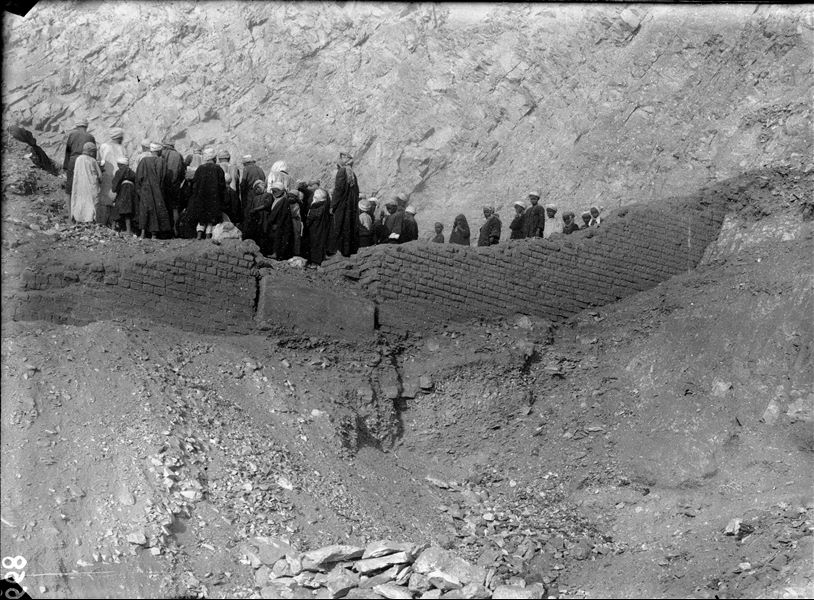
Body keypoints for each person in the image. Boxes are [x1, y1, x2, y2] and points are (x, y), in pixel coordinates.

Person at [135, 142, 172, 239]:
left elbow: (138, 177)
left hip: (145, 189)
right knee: (156, 210)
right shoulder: (162, 161)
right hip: (157, 190)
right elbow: (163, 177)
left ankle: (142, 233)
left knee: (144, 210)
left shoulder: (144, 160)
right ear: (159, 151)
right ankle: (154, 235)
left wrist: (139, 190)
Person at [249, 181, 294, 259]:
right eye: (273, 191)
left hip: (279, 224)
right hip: (275, 223)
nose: (273, 193)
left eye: (275, 191)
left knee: (278, 239)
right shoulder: (277, 199)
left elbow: (283, 215)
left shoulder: (283, 201)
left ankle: (276, 254)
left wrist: (277, 224)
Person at [327, 151, 360, 257]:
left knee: (339, 227)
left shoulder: (342, 172)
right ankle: (346, 251)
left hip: (342, 206)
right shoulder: (352, 173)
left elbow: (338, 190)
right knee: (348, 228)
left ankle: (337, 251)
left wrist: (333, 205)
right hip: (350, 206)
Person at [188, 147, 226, 240]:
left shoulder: (200, 168)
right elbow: (222, 186)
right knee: (211, 219)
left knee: (201, 217)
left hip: (201, 197)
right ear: (214, 158)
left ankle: (199, 234)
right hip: (214, 197)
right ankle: (208, 235)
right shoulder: (218, 169)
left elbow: (195, 184)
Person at [62, 118, 96, 221]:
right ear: (86, 126)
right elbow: (94, 154)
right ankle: (85, 215)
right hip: (86, 162)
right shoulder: (90, 137)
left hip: (73, 161)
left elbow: (68, 152)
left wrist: (65, 167)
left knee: (69, 189)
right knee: (85, 188)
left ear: (77, 126)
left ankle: (70, 215)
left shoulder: (72, 135)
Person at [97, 127, 126, 228]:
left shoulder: (104, 146)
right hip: (116, 177)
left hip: (107, 176)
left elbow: (99, 161)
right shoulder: (122, 148)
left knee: (106, 198)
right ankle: (110, 223)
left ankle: (104, 222)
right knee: (113, 200)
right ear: (119, 137)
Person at [70, 141, 101, 223]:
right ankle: (90, 220)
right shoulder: (92, 160)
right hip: (91, 186)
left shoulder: (78, 159)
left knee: (80, 201)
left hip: (80, 186)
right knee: (92, 203)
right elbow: (100, 176)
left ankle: (79, 218)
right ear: (91, 152)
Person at [162, 138, 186, 236]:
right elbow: (182, 171)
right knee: (175, 208)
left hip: (163, 185)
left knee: (164, 206)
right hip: (175, 185)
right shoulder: (178, 155)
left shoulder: (161, 153)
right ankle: (175, 230)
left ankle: (165, 231)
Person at [303, 188, 331, 267]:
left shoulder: (315, 207)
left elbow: (309, 220)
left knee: (314, 245)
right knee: (320, 245)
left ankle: (314, 263)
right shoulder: (325, 205)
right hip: (322, 228)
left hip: (314, 229)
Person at [111, 156, 136, 235]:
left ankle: (113, 228)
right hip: (131, 192)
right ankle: (128, 229)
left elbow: (115, 184)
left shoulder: (119, 171)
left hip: (123, 191)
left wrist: (114, 189)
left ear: (120, 164)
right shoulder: (132, 172)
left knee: (117, 209)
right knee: (128, 211)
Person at [217, 149, 242, 226]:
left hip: (221, 193)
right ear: (228, 158)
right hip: (233, 192)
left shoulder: (218, 166)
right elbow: (237, 181)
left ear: (219, 158)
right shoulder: (234, 167)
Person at [240, 155, 266, 225]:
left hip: (251, 193)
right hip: (261, 193)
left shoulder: (246, 169)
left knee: (249, 211)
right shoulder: (260, 169)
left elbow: (243, 184)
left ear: (246, 163)